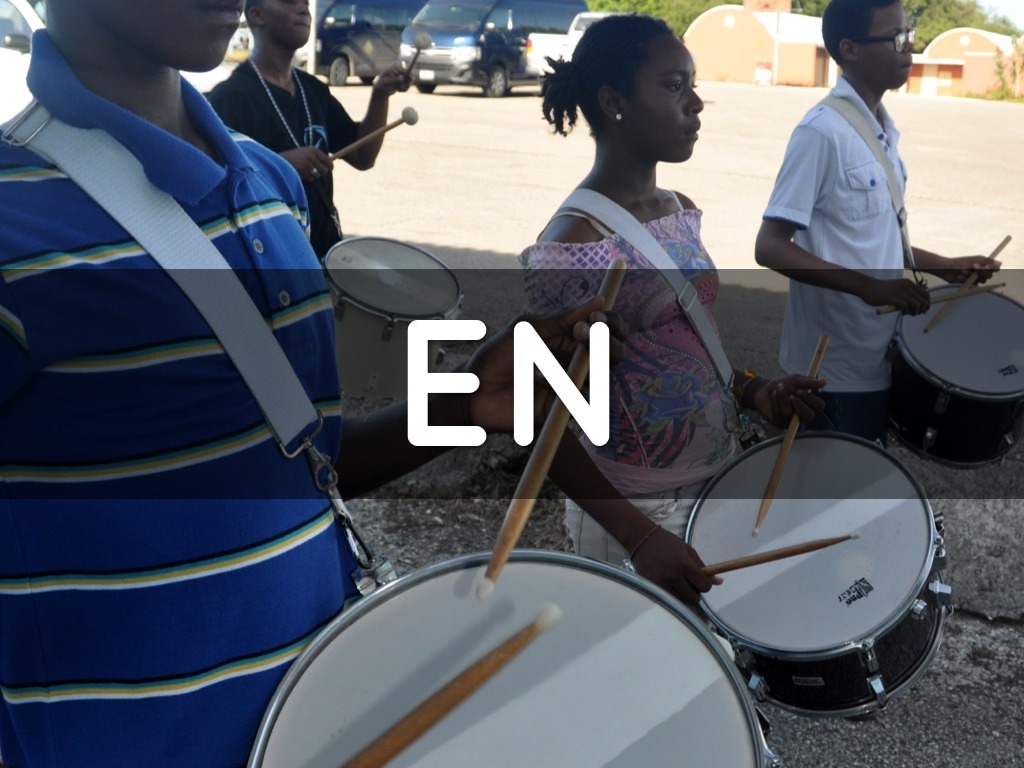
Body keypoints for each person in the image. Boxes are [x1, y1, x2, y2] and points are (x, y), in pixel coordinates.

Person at [0, 2, 618, 766]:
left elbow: (305, 462)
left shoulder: (270, 186)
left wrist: (462, 402)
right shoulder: (15, 219)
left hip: (317, 726)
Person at [519, 14, 826, 609]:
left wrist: (754, 391)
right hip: (638, 514)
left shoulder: (677, 208)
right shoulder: (574, 242)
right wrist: (640, 537)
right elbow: (537, 419)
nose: (696, 103)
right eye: (672, 85)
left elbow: (685, 346)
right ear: (614, 102)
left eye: (693, 84)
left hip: (714, 487)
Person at [754, 0, 1000, 445]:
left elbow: (871, 235)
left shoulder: (881, 130)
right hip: (830, 369)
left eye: (909, 36)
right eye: (896, 38)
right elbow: (770, 246)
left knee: (867, 481)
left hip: (878, 354)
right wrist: (871, 287)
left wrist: (944, 266)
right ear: (850, 49)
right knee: (833, 483)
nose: (909, 48)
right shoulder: (821, 133)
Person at [208, 0, 410, 259]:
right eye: (289, 1)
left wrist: (380, 95)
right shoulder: (229, 99)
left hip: (323, 254)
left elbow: (363, 156)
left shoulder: (313, 89)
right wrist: (279, 165)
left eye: (305, 2)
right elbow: (216, 189)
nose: (304, 9)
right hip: (271, 259)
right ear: (257, 15)